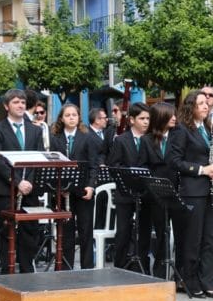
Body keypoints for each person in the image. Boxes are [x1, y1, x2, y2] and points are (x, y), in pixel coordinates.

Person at [168, 90, 213, 298]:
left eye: (207, 103)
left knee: (210, 239)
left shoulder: (210, 129)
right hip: (193, 191)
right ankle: (190, 281)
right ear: (191, 107)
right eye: (200, 103)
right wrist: (201, 170)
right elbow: (174, 161)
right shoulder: (181, 130)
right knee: (193, 238)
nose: (206, 106)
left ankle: (208, 282)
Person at [0, 89, 43, 274]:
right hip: (5, 189)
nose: (20, 105)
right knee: (7, 232)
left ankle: (27, 270)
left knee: (30, 231)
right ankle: (8, 272)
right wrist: (17, 182)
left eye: (22, 102)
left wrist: (28, 182)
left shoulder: (35, 130)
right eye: (15, 102)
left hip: (30, 189)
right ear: (6, 106)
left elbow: (38, 158)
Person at [51, 104, 100, 270]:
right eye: (67, 115)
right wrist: (58, 188)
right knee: (66, 232)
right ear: (61, 118)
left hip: (83, 190)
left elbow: (94, 165)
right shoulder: (55, 138)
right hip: (63, 191)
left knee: (86, 230)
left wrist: (91, 186)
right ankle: (66, 268)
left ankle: (87, 268)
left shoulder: (87, 137)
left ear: (79, 117)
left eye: (74, 115)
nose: (71, 118)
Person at [107, 102, 152, 272]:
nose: (146, 122)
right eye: (142, 118)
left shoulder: (151, 139)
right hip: (125, 193)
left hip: (146, 193)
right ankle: (120, 267)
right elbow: (114, 165)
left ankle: (142, 267)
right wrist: (129, 177)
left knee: (145, 230)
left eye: (148, 118)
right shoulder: (121, 140)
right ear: (132, 120)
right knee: (123, 231)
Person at [142, 102, 178, 278]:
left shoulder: (178, 136)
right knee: (162, 231)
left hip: (177, 190)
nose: (174, 118)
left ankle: (179, 272)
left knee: (180, 232)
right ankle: (160, 271)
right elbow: (143, 166)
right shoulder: (146, 140)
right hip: (156, 193)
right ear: (160, 117)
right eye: (170, 115)